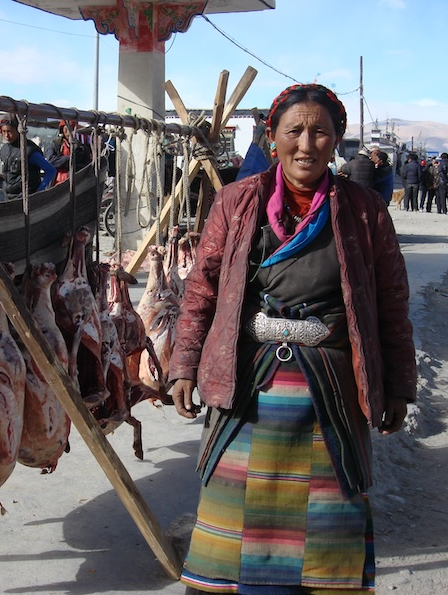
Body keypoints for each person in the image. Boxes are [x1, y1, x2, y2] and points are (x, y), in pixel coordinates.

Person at [170, 83, 416, 594]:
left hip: (331, 392)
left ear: (338, 140)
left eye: (320, 131)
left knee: (327, 545)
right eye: (295, 131)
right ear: (272, 137)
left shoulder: (366, 210)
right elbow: (202, 288)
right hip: (247, 388)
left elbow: (391, 303)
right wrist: (185, 363)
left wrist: (398, 386)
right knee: (230, 543)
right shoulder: (236, 201)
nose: (307, 144)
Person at [0, 115, 56, 199]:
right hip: (9, 197)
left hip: (26, 197)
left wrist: (39, 191)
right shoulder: (4, 150)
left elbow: (50, 170)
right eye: (4, 131)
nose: (6, 135)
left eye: (9, 131)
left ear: (18, 130)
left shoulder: (29, 150)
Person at [44, 120, 92, 186]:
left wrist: (74, 167)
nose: (69, 132)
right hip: (57, 183)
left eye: (71, 129)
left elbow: (87, 166)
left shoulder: (82, 148)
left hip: (76, 182)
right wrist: (69, 159)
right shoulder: (55, 144)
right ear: (62, 130)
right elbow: (50, 162)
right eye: (66, 129)